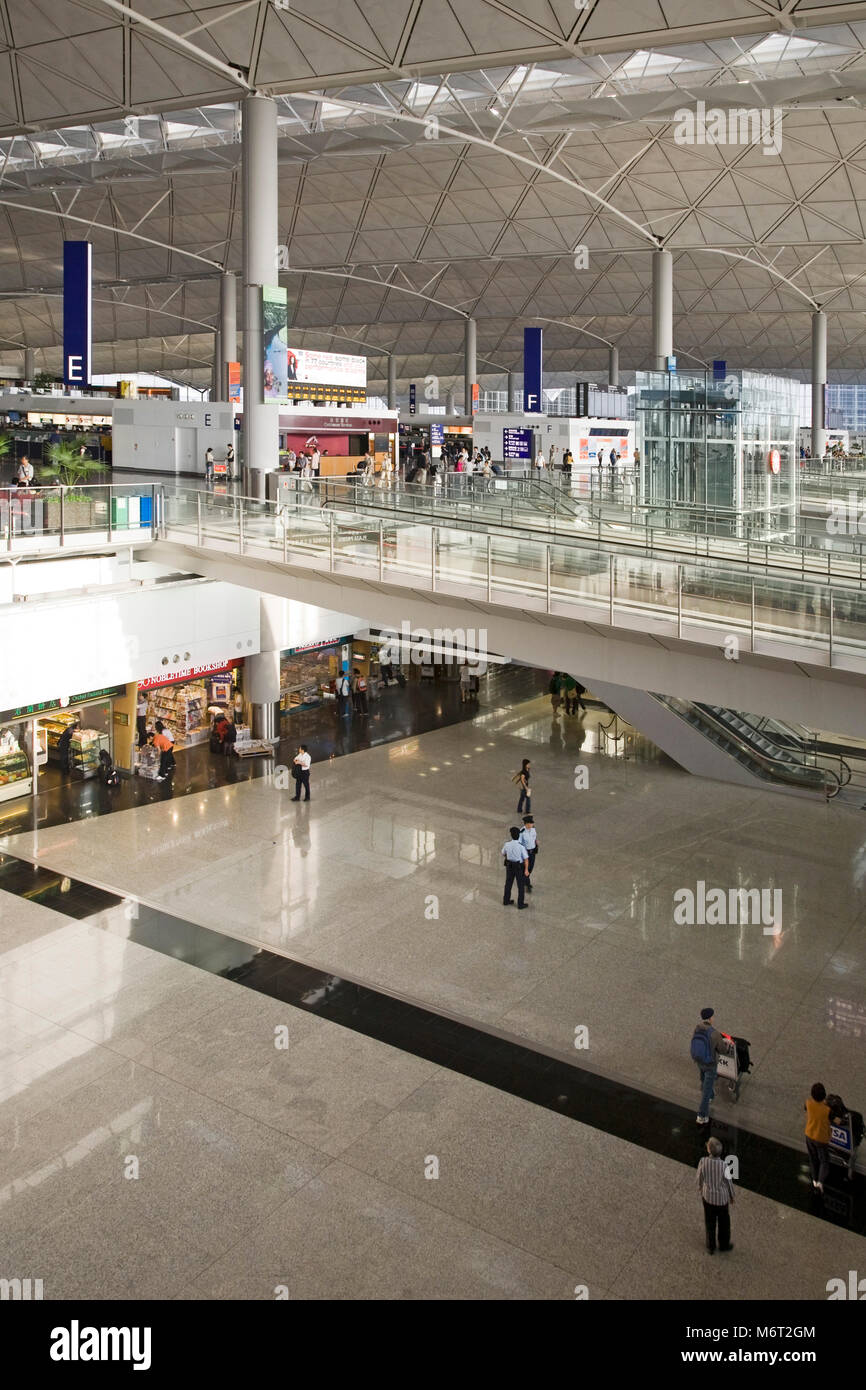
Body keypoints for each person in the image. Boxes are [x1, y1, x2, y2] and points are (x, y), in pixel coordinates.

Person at [697, 1137, 734, 1254]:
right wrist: (732, 1196)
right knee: (724, 1223)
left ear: (709, 1150)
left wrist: (700, 1188)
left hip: (707, 1198)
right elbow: (729, 1183)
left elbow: (699, 1178)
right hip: (722, 1200)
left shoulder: (703, 1161)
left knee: (710, 1222)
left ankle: (710, 1246)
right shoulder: (724, 1165)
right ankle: (723, 1245)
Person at [692, 1007, 724, 1125]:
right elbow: (722, 1049)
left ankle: (711, 1095)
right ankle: (702, 1115)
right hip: (710, 1064)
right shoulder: (714, 1033)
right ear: (710, 1018)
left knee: (703, 1079)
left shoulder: (697, 1028)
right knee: (705, 1091)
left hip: (699, 1061)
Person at [804, 1082, 832, 1193]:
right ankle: (820, 1183)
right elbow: (837, 1121)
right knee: (824, 1160)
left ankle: (814, 1180)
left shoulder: (808, 1103)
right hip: (821, 1139)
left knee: (813, 1158)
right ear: (824, 1095)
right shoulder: (827, 1110)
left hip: (809, 1135)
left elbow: (806, 1110)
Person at [501, 826, 529, 908]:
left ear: (511, 835)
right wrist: (526, 870)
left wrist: (508, 856)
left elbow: (503, 853)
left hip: (509, 866)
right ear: (519, 835)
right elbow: (526, 859)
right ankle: (520, 904)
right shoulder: (521, 847)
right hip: (518, 867)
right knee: (520, 885)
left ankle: (506, 901)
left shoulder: (507, 844)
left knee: (508, 883)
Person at [519, 815, 538, 893]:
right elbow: (519, 843)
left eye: (532, 823)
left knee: (530, 868)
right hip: (525, 853)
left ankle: (524, 880)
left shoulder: (533, 829)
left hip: (532, 852)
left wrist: (536, 843)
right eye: (530, 823)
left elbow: (534, 838)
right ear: (526, 824)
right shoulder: (522, 832)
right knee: (526, 868)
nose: (532, 824)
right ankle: (527, 884)